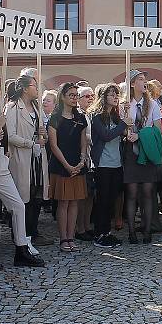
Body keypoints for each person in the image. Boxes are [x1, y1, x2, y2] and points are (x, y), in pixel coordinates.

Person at [0, 80, 43, 268]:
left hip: (1, 165)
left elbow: (5, 139)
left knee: (18, 205)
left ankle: (21, 248)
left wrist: (5, 151)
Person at [5, 75, 51, 247]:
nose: (37, 89)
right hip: (22, 157)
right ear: (25, 88)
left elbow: (41, 133)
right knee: (24, 195)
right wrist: (31, 143)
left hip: (37, 157)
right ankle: (20, 233)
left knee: (37, 195)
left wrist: (43, 134)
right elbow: (10, 135)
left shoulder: (36, 108)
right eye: (34, 86)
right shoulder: (13, 108)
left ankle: (33, 231)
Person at [120, 70, 162, 244]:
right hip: (131, 151)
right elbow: (120, 129)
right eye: (140, 79)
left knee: (147, 191)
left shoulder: (152, 104)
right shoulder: (124, 104)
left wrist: (141, 135)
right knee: (131, 192)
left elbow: (157, 129)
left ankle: (147, 229)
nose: (144, 82)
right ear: (132, 84)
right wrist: (126, 132)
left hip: (146, 150)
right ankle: (131, 231)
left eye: (144, 79)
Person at [48, 83, 89, 251]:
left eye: (76, 95)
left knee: (75, 203)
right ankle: (63, 238)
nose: (74, 98)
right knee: (64, 203)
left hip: (77, 163)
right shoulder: (55, 118)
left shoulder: (81, 118)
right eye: (71, 95)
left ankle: (71, 236)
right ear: (63, 96)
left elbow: (83, 142)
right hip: (61, 164)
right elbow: (54, 145)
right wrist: (67, 165)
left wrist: (81, 161)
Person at [89, 83, 127, 248]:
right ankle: (99, 233)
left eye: (116, 94)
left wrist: (125, 128)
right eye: (111, 94)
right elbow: (105, 135)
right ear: (103, 97)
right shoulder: (97, 116)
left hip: (116, 162)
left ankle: (107, 232)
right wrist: (123, 125)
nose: (115, 97)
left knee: (111, 200)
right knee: (103, 200)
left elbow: (119, 135)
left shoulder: (116, 116)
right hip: (103, 163)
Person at [75, 85, 96, 241]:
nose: (90, 99)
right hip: (82, 157)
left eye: (92, 96)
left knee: (90, 195)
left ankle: (87, 225)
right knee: (82, 196)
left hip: (91, 159)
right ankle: (79, 227)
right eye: (86, 96)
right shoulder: (77, 115)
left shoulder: (90, 114)